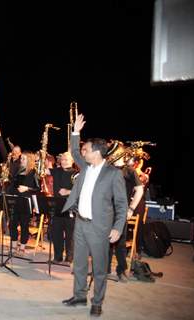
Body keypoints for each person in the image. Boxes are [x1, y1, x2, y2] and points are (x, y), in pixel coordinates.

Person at [61, 114, 128, 317]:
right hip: (80, 224)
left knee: (99, 268)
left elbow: (121, 203)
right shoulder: (86, 166)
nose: (82, 152)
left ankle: (97, 301)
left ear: (97, 153)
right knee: (79, 264)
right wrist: (75, 131)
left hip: (100, 228)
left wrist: (117, 228)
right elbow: (73, 149)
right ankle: (79, 296)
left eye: (86, 150)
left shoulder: (113, 174)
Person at [106, 143, 144, 282]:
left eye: (112, 152)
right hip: (106, 210)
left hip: (121, 211)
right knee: (106, 241)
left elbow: (139, 190)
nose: (110, 155)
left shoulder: (129, 171)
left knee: (120, 243)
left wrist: (131, 208)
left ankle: (121, 270)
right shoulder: (107, 169)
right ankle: (105, 270)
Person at [48, 151, 77, 264]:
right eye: (63, 159)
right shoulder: (56, 171)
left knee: (70, 234)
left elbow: (81, 190)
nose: (64, 161)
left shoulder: (76, 173)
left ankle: (69, 258)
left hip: (70, 208)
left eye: (67, 160)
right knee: (57, 233)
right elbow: (42, 171)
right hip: (57, 207)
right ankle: (57, 257)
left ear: (73, 161)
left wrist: (68, 191)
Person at [8, 151, 39, 255]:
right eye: (21, 158)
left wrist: (27, 188)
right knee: (12, 225)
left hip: (26, 201)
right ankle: (13, 246)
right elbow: (13, 185)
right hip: (15, 200)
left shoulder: (33, 172)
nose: (21, 160)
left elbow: (37, 188)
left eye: (24, 159)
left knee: (24, 225)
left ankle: (22, 247)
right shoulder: (17, 171)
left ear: (29, 160)